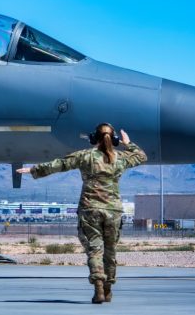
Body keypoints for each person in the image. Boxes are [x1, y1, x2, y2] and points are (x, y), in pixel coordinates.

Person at [17, 123, 147, 303]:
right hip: (113, 211)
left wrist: (34, 170)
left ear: (94, 138)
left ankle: (99, 287)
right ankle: (108, 288)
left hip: (90, 209)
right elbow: (141, 156)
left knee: (94, 249)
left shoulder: (85, 156)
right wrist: (128, 143)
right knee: (110, 251)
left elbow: (60, 164)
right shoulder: (120, 158)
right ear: (114, 139)